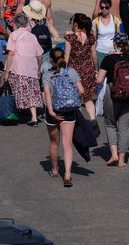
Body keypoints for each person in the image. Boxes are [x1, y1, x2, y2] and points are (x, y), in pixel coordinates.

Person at [42, 48, 85, 187]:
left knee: (54, 142)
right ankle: (67, 175)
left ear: (50, 61)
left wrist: (51, 111)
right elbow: (82, 91)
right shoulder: (71, 72)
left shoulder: (47, 74)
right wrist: (73, 100)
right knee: (67, 144)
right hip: (68, 111)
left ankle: (55, 170)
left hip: (53, 111)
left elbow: (47, 94)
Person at [96, 32, 129, 168]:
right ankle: (122, 159)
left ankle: (113, 154)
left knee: (110, 123)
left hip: (113, 92)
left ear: (114, 43)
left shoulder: (109, 59)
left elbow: (100, 80)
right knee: (124, 128)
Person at [5, 13, 44, 126]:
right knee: (31, 92)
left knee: (15, 90)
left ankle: (15, 113)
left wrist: (7, 71)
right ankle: (34, 117)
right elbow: (39, 55)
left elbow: (11, 54)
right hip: (31, 68)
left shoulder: (14, 35)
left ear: (16, 23)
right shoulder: (32, 36)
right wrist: (38, 68)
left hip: (18, 68)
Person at [64, 13, 98, 120]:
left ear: (75, 23)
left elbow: (67, 55)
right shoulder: (90, 37)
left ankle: (79, 122)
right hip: (88, 70)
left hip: (74, 71)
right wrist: (96, 69)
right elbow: (94, 55)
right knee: (88, 99)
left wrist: (63, 71)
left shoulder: (70, 37)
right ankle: (93, 120)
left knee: (75, 98)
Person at [94, 0, 121, 66]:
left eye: (106, 7)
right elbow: (94, 39)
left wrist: (118, 51)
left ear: (110, 7)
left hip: (112, 51)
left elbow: (118, 37)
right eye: (102, 7)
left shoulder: (115, 20)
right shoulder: (96, 21)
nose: (104, 9)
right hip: (99, 51)